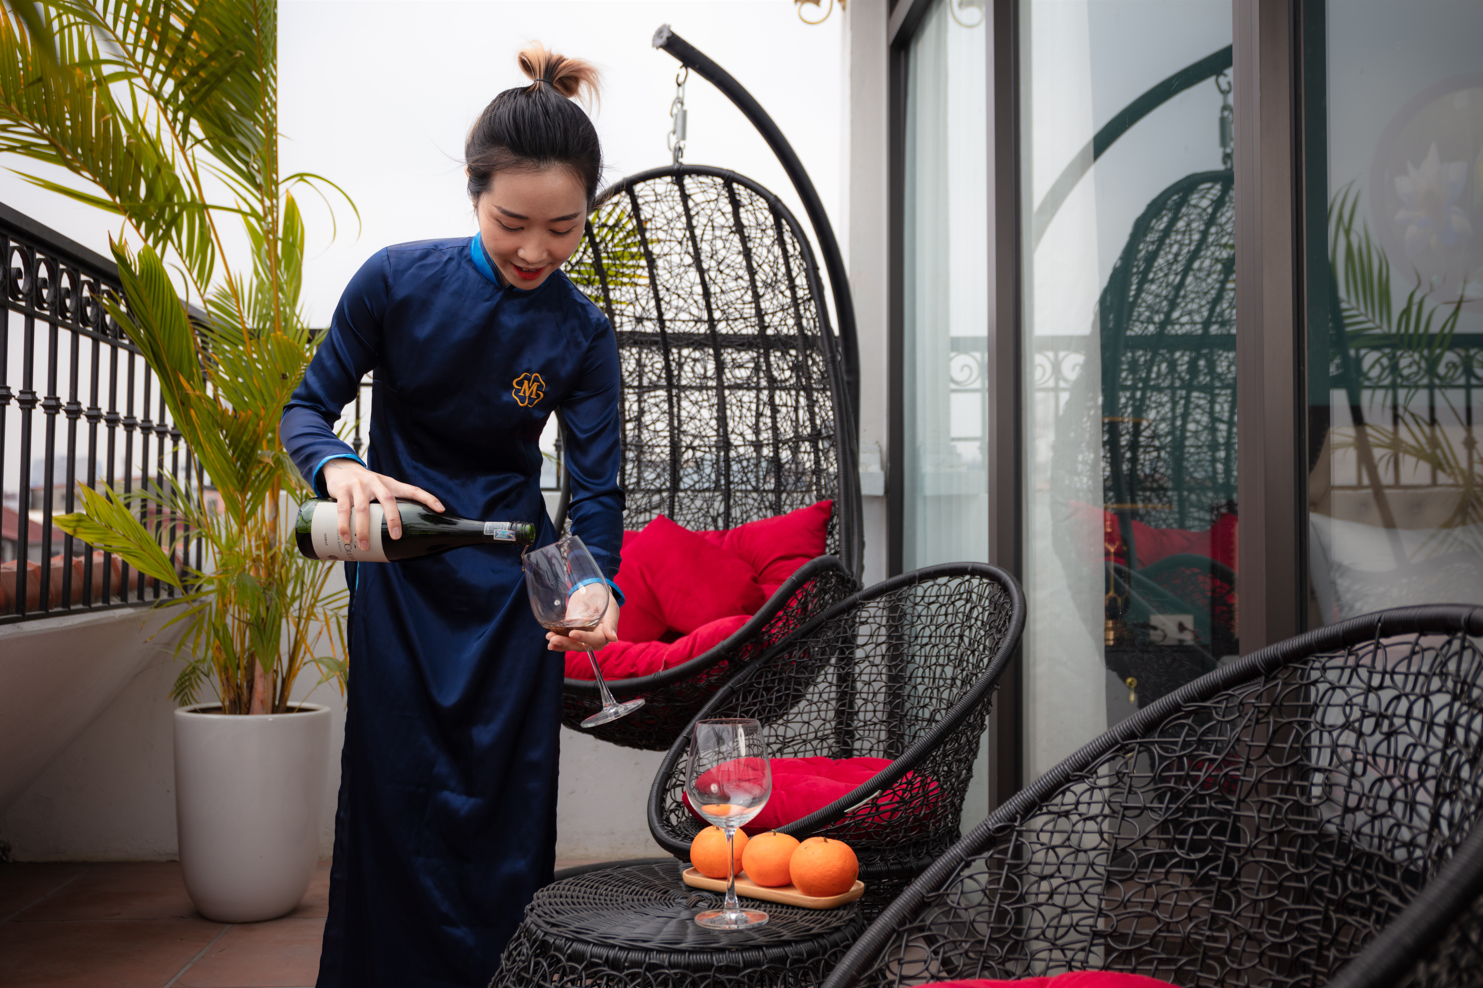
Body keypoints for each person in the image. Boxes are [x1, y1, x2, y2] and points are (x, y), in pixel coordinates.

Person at [279, 44, 623, 987]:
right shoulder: (395, 281)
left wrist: (597, 586)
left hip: (513, 585)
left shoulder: (583, 333)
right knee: (394, 789)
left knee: (506, 800)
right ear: (473, 193)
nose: (535, 251)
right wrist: (342, 466)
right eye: (513, 221)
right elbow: (305, 409)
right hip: (398, 569)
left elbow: (592, 492)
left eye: (563, 229)